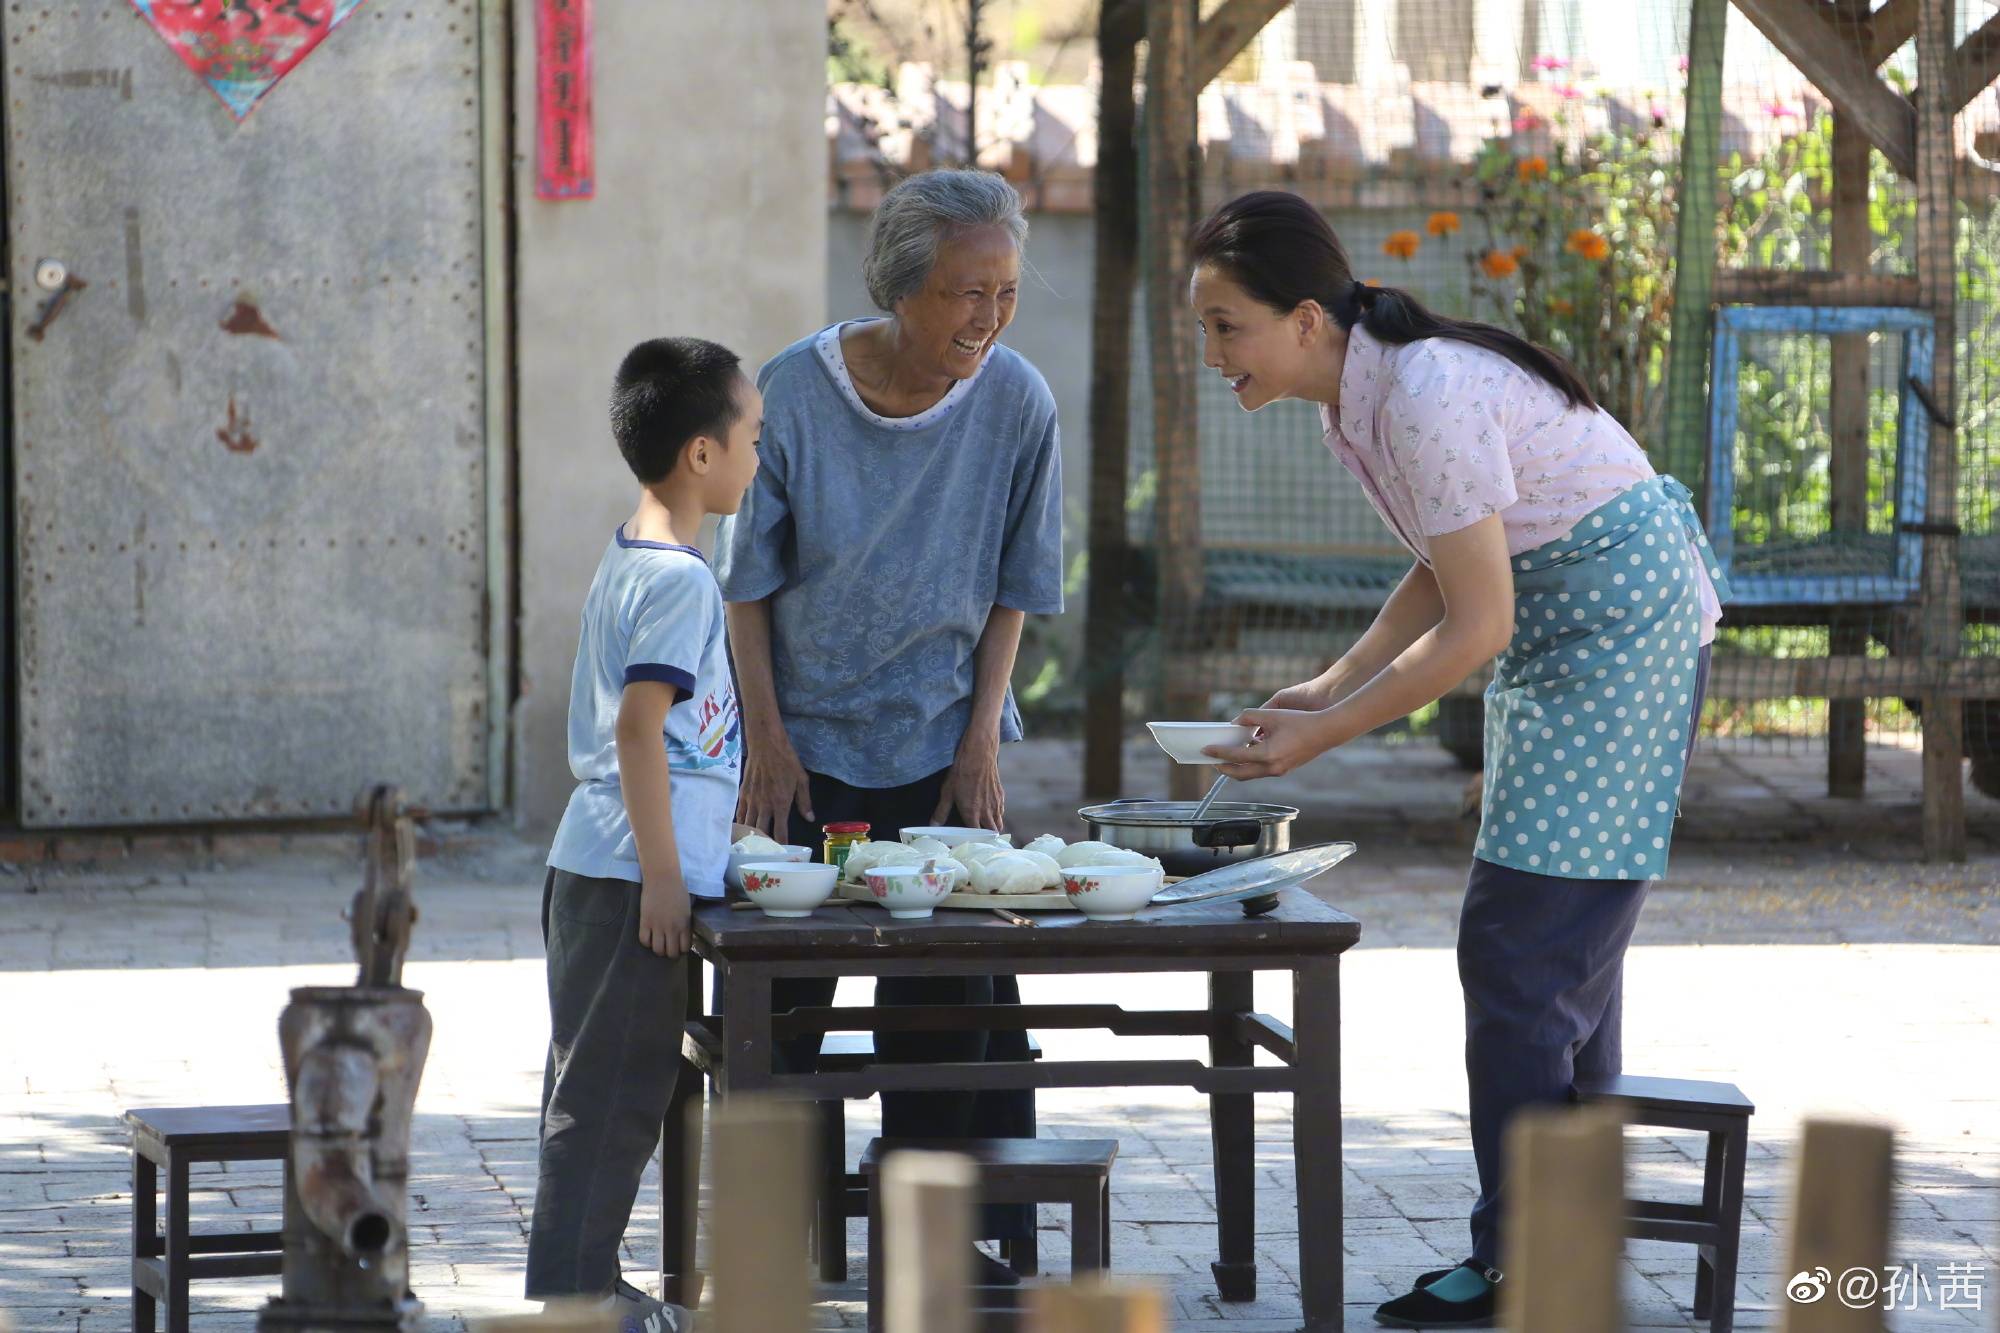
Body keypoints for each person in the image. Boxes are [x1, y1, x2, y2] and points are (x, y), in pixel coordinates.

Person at [1185, 191, 1729, 1330]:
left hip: (1612, 630)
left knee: (1524, 948)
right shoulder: (1363, 394)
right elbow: (1445, 569)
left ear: (1300, 319)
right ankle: (1555, 1248)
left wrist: (1319, 739)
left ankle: (1526, 1266)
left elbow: (1474, 626)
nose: (1210, 352)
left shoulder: (1421, 392)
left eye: (1223, 325)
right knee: (1547, 951)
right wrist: (1328, 685)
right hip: (1561, 627)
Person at [716, 167, 1063, 1282]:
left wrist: (978, 743)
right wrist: (767, 745)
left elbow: (1016, 585)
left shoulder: (1018, 402)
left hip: (940, 748)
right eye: (968, 293)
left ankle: (936, 1235)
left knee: (947, 1010)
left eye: (1005, 292)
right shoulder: (794, 393)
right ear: (903, 287)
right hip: (807, 757)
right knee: (784, 1010)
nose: (988, 318)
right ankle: (783, 1237)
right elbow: (746, 588)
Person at [528, 337, 763, 1331]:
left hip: (602, 862)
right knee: (615, 1091)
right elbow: (637, 729)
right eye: (752, 433)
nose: (761, 451)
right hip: (627, 872)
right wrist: (666, 875)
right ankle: (577, 1300)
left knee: (601, 1080)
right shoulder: (677, 581)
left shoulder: (635, 551)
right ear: (700, 455)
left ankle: (582, 1283)